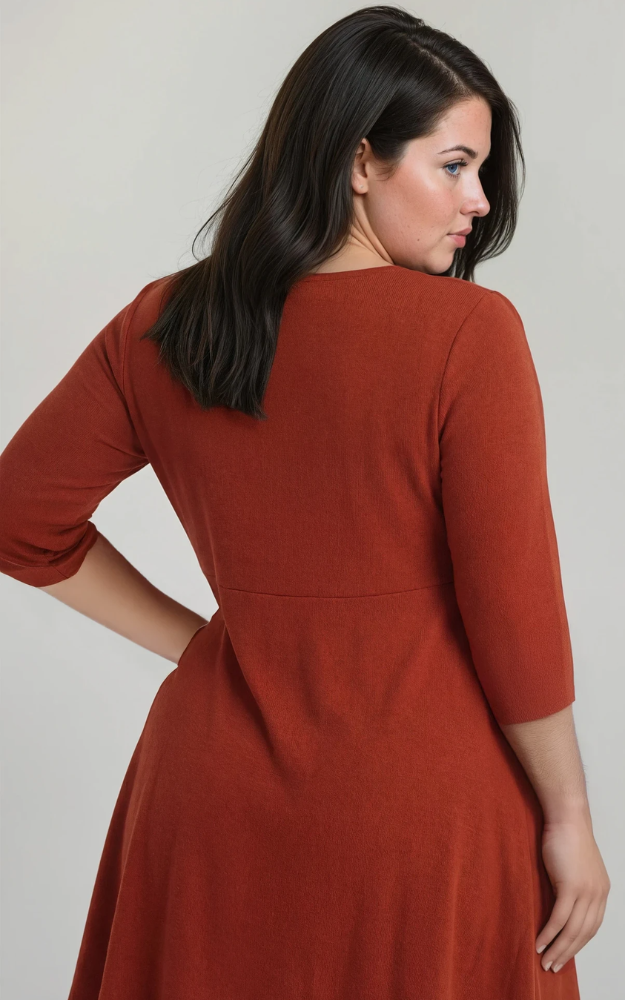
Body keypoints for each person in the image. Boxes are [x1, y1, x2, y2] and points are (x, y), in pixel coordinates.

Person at [0, 6, 610, 999]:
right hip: (421, 814)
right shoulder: (469, 335)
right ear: (359, 159)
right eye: (453, 165)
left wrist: (211, 644)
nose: (479, 200)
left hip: (207, 799)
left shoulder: (166, 322)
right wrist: (569, 816)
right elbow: (516, 620)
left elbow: (16, 517)